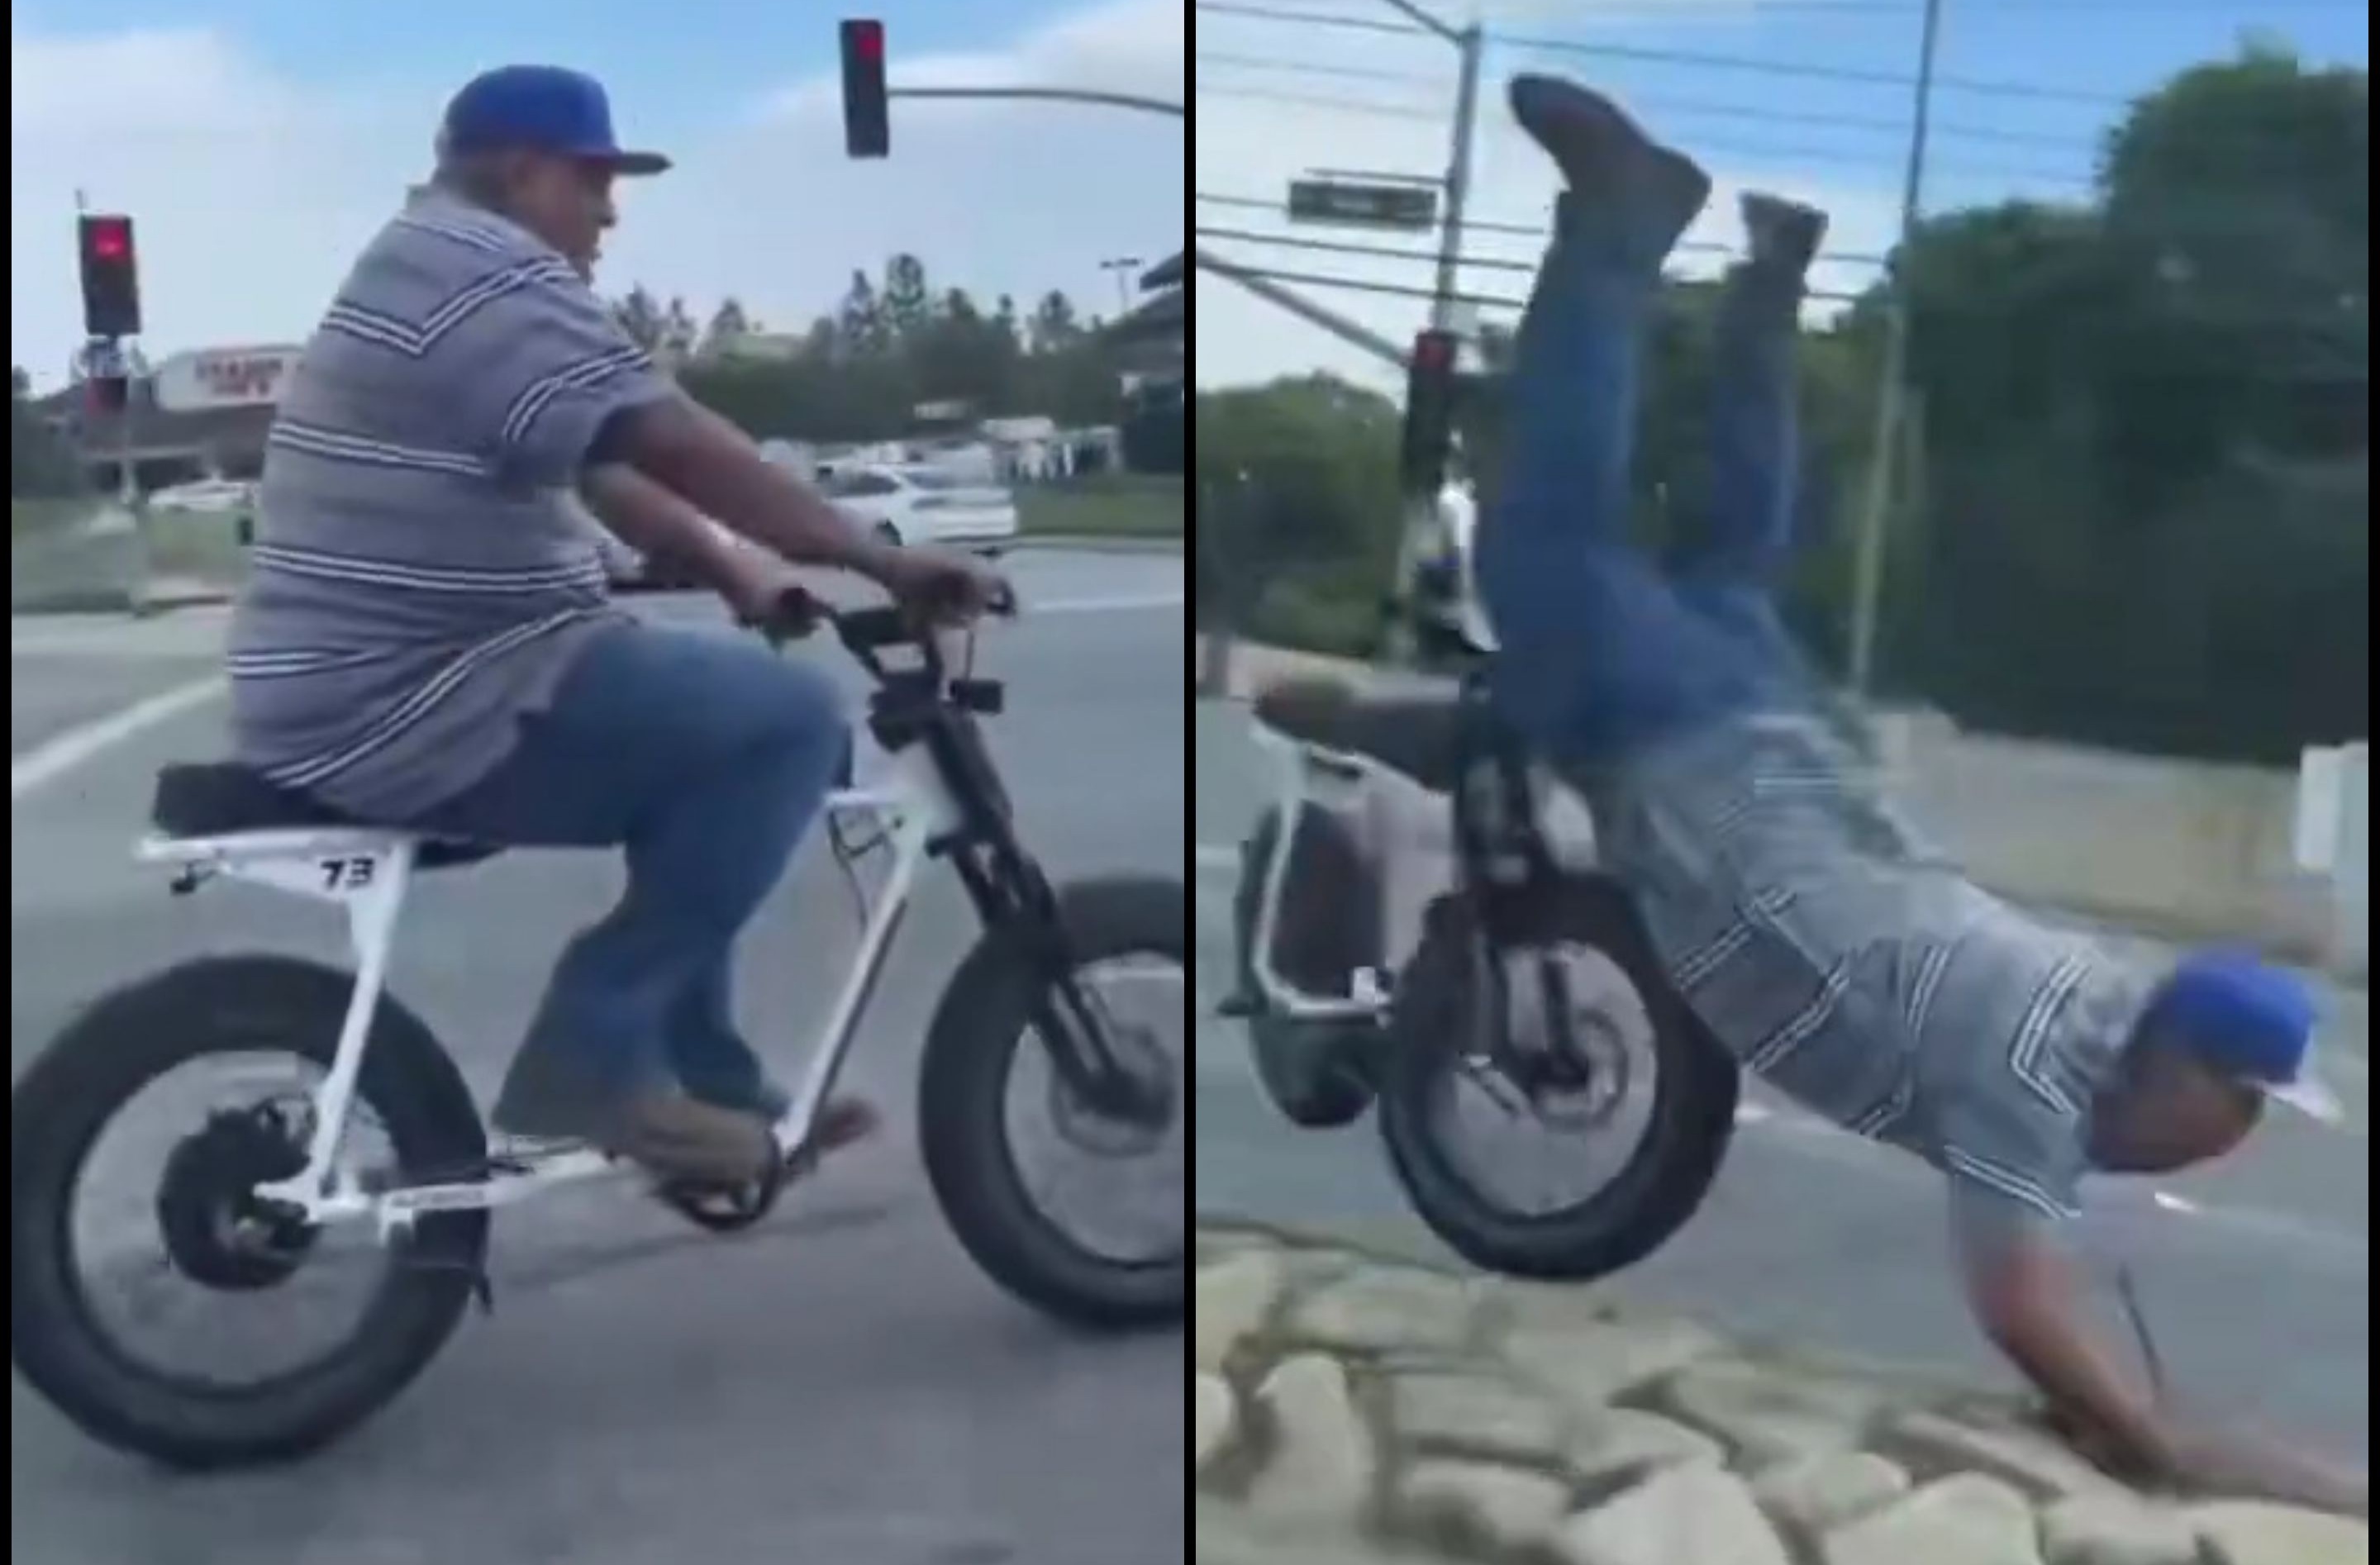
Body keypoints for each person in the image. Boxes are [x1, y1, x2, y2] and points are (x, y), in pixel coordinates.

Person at [1454, 74, 2364, 1514]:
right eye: (2240, 1111)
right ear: (2179, 1072)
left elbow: (2058, 1219)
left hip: (1775, 726)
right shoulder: (2027, 1069)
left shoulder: (2090, 994)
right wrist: (2158, 1435)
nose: (2231, 1146)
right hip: (1686, 745)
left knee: (1732, 561)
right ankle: (1620, 222)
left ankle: (1768, 286)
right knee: (1545, 543)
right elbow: (2022, 1302)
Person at [226, 65, 1007, 1189]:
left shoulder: (433, 264)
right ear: (519, 170)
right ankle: (594, 1060)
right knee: (786, 722)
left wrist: (740, 571)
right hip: (416, 697)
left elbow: (597, 467)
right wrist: (873, 554)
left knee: (745, 738)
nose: (608, 212)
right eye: (593, 180)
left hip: (396, 679)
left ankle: (700, 1084)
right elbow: (669, 438)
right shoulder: (482, 271)